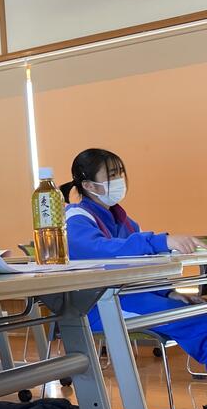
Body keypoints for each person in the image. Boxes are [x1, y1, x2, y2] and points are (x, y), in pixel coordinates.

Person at [62, 148, 207, 364]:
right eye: (112, 175)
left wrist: (169, 293)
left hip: (127, 298)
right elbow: (101, 250)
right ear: (89, 185)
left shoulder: (126, 222)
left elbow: (145, 266)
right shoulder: (75, 217)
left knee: (195, 311)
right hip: (97, 307)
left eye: (120, 173)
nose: (119, 179)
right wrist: (159, 241)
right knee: (195, 319)